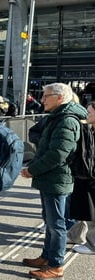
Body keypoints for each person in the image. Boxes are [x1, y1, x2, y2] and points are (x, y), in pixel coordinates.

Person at [20, 83, 86, 279]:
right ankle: (47, 256)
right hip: (51, 179)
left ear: (59, 97)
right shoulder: (59, 117)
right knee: (50, 222)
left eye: (46, 96)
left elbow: (57, 154)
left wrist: (32, 170)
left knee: (56, 224)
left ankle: (56, 265)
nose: (42, 99)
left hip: (57, 179)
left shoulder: (66, 120)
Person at [68, 101, 95, 255]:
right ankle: (75, 235)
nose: (87, 115)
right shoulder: (90, 130)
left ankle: (92, 244)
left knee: (91, 212)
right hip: (86, 175)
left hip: (91, 177)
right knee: (84, 209)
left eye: (90, 112)